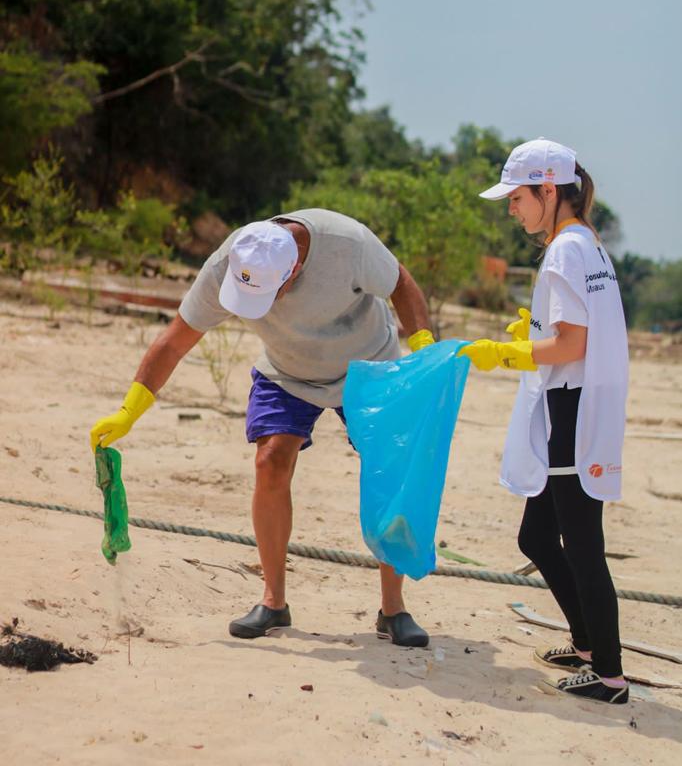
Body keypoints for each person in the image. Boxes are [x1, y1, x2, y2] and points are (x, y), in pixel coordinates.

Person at [90, 208, 436, 646]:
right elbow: (175, 340)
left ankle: (393, 608)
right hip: (288, 370)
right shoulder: (230, 263)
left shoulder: (348, 243)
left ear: (292, 272)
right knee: (271, 461)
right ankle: (274, 602)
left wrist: (423, 349)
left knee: (389, 470)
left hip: (370, 364)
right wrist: (129, 410)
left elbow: (401, 283)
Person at [459, 138, 630, 705]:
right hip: (581, 404)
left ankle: (608, 675)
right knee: (536, 535)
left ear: (548, 190)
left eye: (518, 197)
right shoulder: (587, 245)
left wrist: (507, 353)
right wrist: (530, 339)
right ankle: (586, 644)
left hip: (573, 409)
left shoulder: (564, 251)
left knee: (582, 545)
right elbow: (571, 336)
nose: (512, 208)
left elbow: (570, 344)